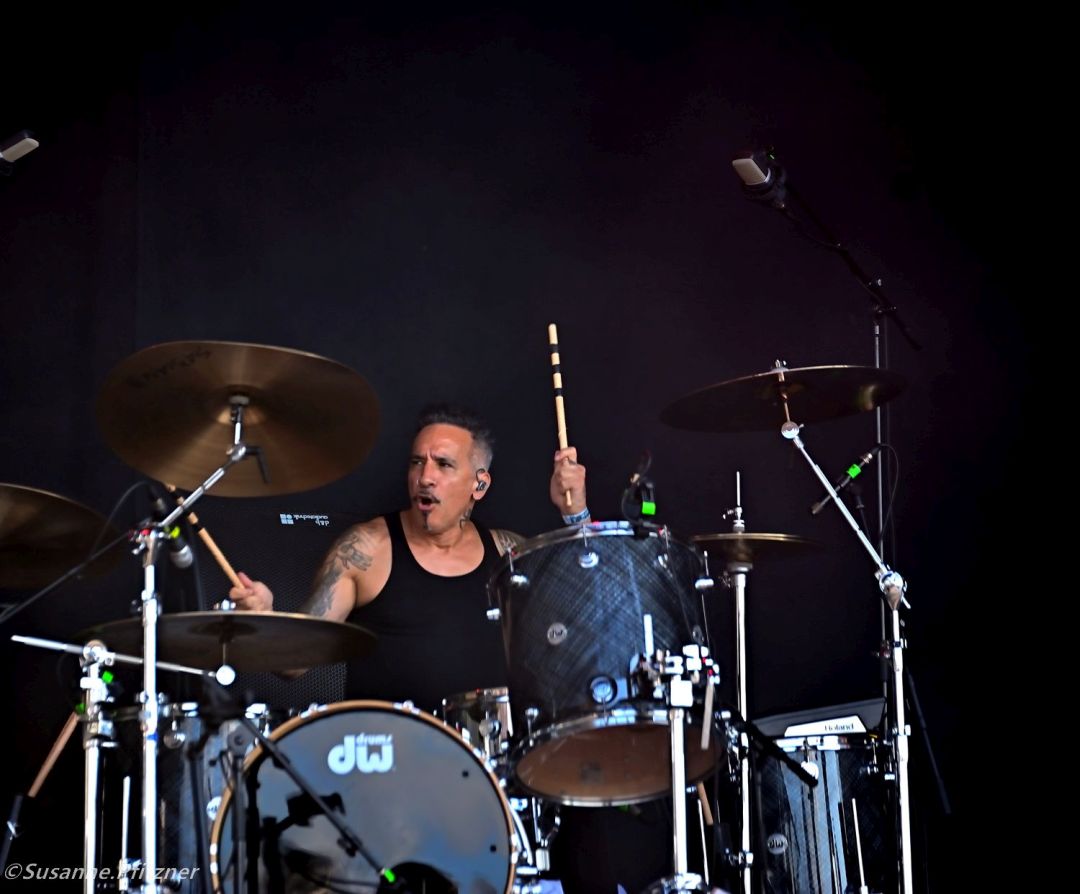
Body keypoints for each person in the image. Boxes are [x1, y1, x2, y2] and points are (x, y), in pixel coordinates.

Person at [229, 403, 684, 893]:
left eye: (444, 465)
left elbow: (594, 624)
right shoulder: (366, 548)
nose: (425, 477)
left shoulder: (508, 554)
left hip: (492, 778)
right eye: (417, 462)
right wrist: (267, 620)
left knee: (583, 790)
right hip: (386, 771)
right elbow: (296, 664)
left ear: (478, 485)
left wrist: (575, 514)